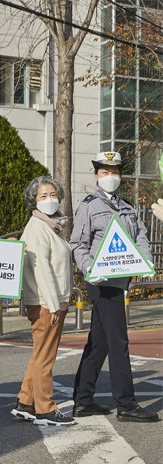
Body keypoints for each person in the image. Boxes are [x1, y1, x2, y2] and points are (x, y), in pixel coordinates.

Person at [70, 151, 158, 422]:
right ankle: (126, 405)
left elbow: (140, 236)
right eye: (104, 172)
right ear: (97, 175)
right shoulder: (88, 206)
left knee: (100, 343)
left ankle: (83, 400)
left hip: (121, 281)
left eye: (115, 172)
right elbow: (77, 244)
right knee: (119, 342)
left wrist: (146, 259)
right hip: (102, 283)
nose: (110, 177)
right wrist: (88, 269)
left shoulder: (127, 208)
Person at [11, 177, 75, 426]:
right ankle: (45, 408)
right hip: (46, 303)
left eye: (52, 194)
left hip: (51, 300)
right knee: (45, 357)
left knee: (40, 353)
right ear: (34, 202)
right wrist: (53, 304)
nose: (50, 199)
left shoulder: (50, 226)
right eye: (43, 196)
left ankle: (26, 403)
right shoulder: (38, 228)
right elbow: (42, 270)